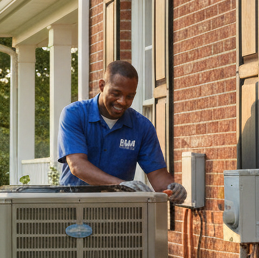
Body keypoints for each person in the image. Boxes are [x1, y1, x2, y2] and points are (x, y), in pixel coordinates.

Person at [57, 60, 187, 203]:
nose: (122, 101)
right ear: (102, 85)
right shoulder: (74, 114)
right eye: (116, 93)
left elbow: (158, 175)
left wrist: (172, 189)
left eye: (130, 96)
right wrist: (120, 185)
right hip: (74, 207)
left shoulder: (142, 127)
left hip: (119, 211)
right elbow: (77, 166)